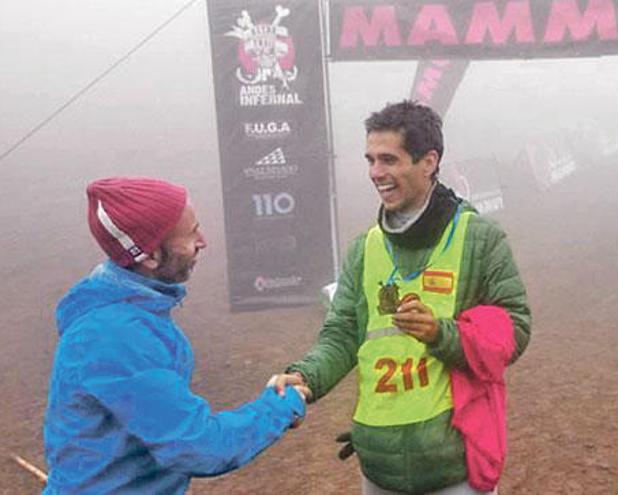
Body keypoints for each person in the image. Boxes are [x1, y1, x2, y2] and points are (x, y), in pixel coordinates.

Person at [275, 101, 531, 494]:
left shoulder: (480, 239)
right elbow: (342, 333)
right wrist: (306, 376)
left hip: (454, 466)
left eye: (389, 159)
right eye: (371, 160)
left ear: (428, 161)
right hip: (378, 464)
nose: (376, 173)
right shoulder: (365, 248)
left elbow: (515, 330)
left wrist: (440, 334)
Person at [43, 177, 306, 494]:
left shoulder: (130, 311)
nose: (203, 241)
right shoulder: (115, 336)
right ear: (150, 256)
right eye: (191, 234)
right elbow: (200, 447)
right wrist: (281, 406)